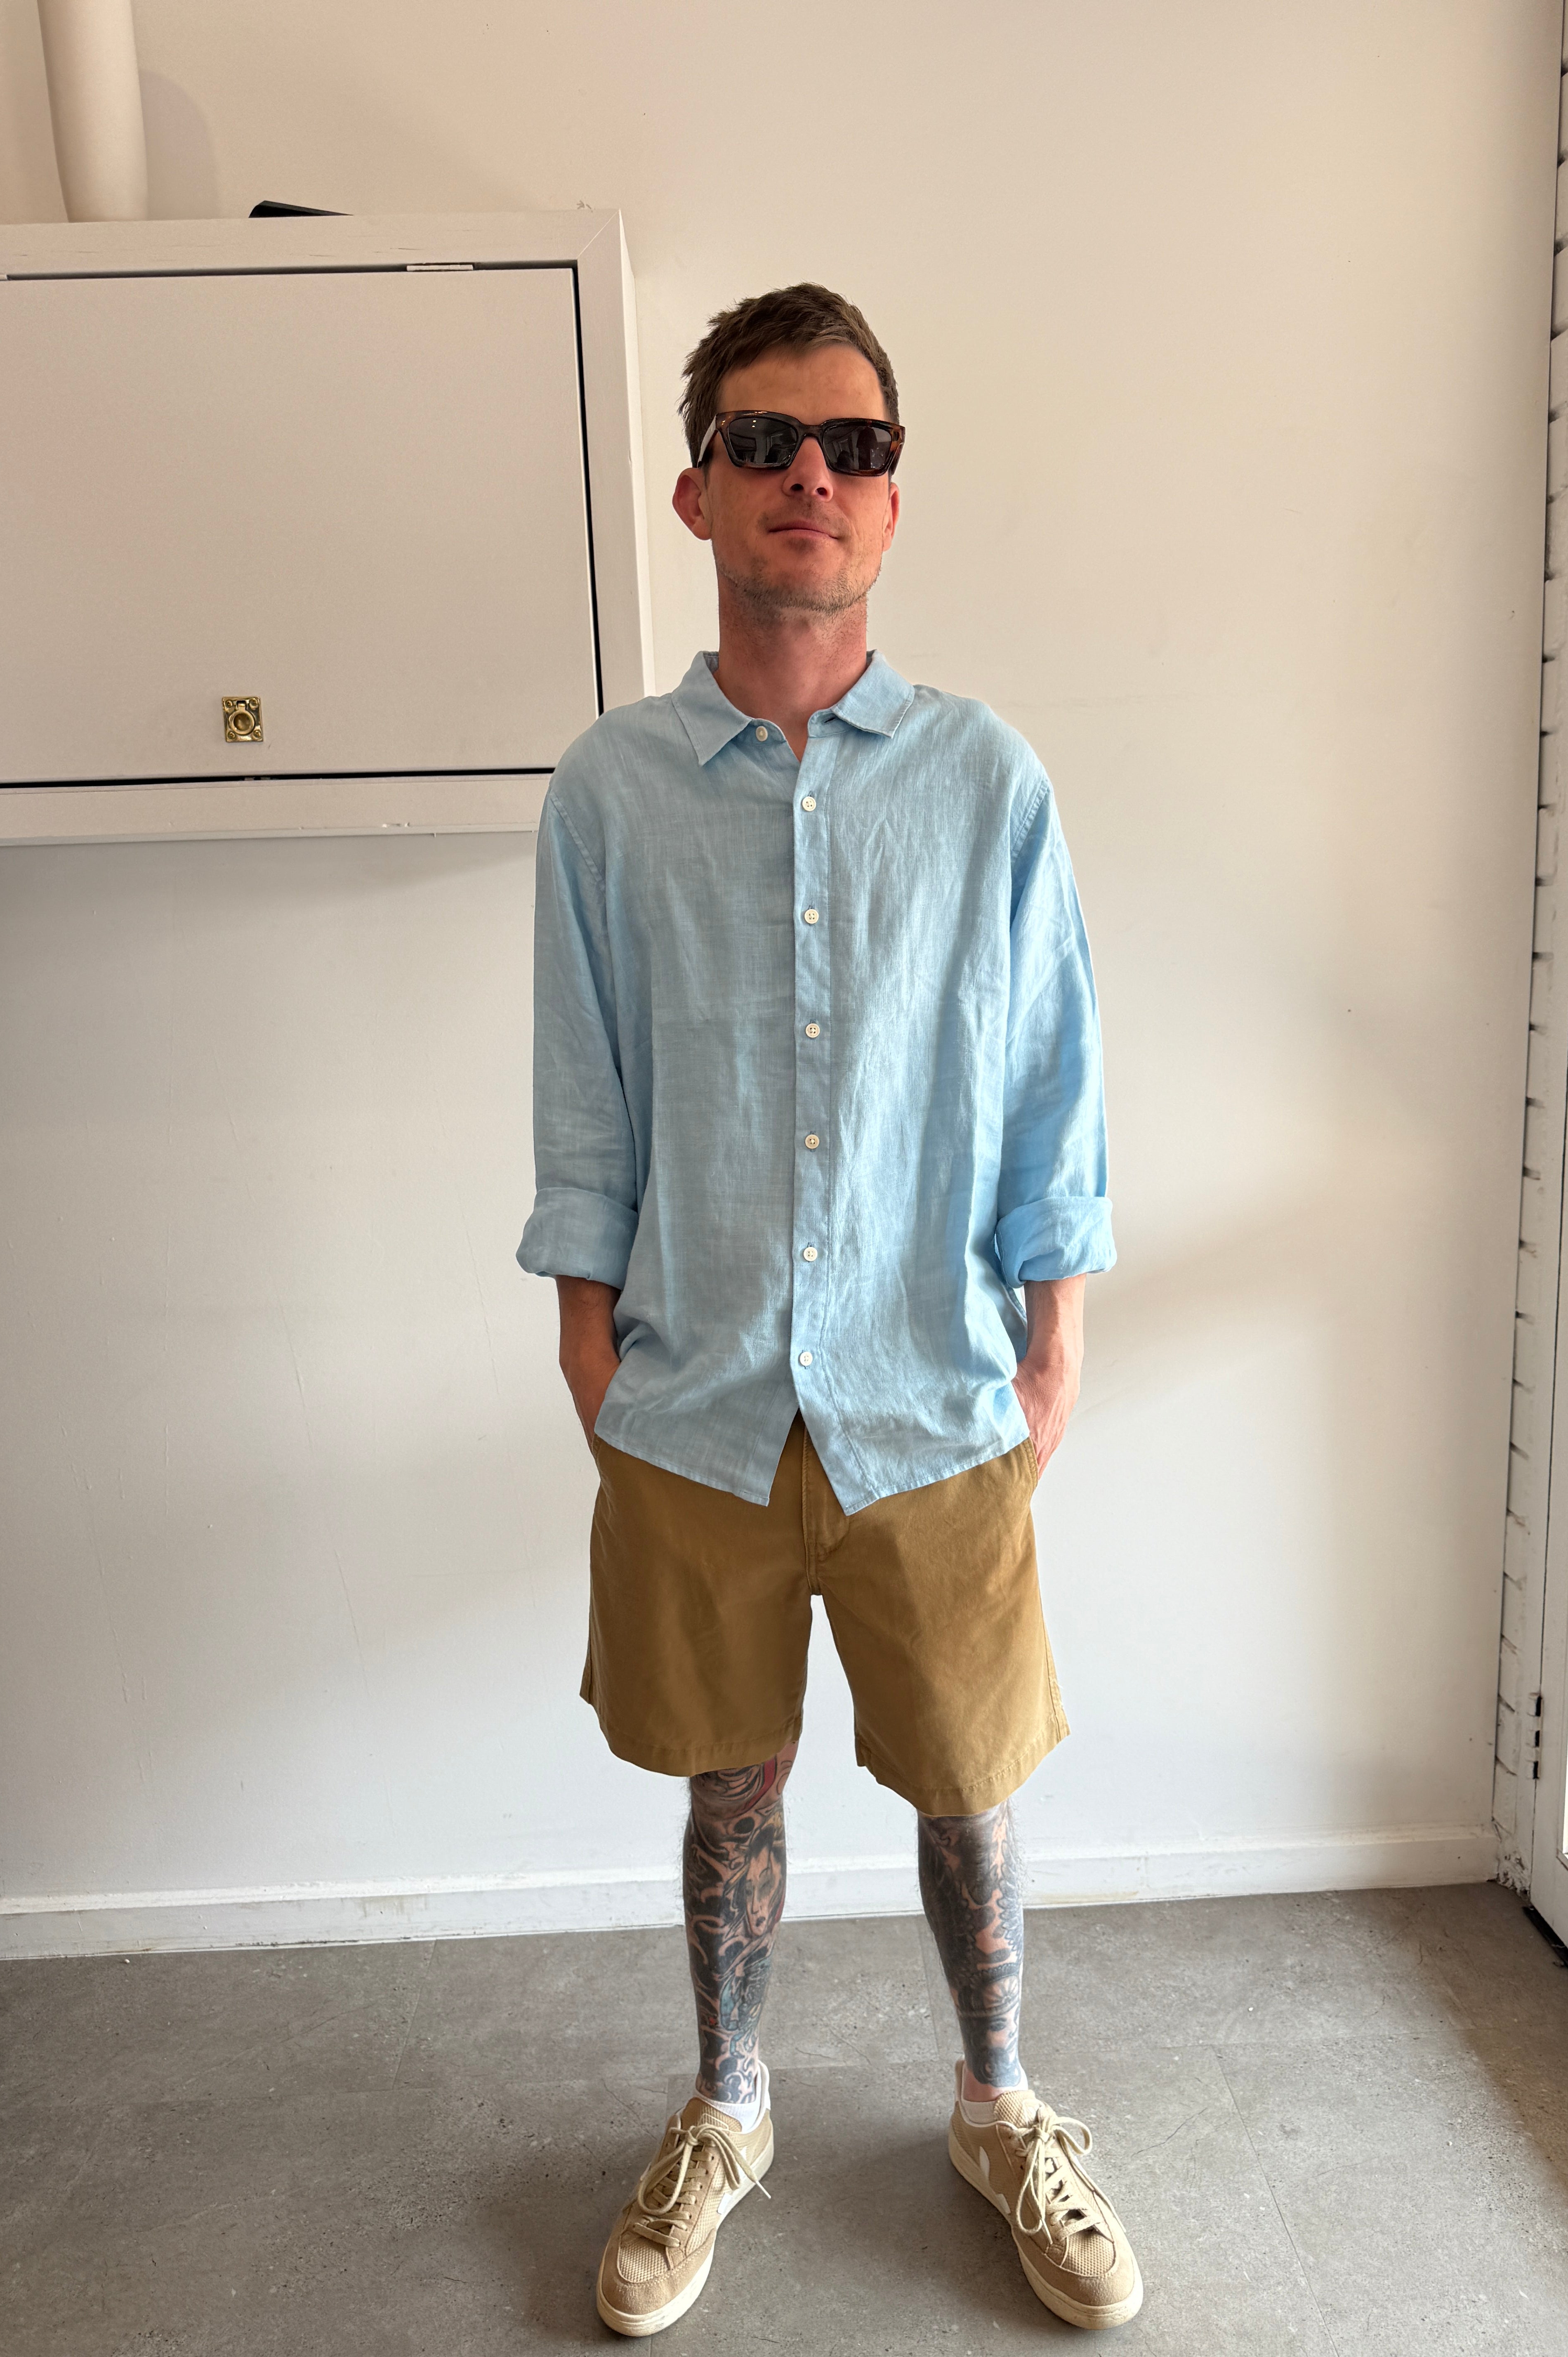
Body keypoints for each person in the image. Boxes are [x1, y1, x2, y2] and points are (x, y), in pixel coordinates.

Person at [517, 282, 1140, 2338]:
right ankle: (730, 2104)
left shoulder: (984, 782)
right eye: (772, 440)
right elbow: (585, 1077)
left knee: (972, 1780)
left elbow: (1052, 1069)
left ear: (892, 502)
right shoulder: (609, 792)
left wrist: (1054, 1334)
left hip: (931, 1389)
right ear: (698, 481)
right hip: (691, 1396)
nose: (814, 476)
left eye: (855, 449)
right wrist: (588, 1333)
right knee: (731, 1779)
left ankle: (999, 2103)